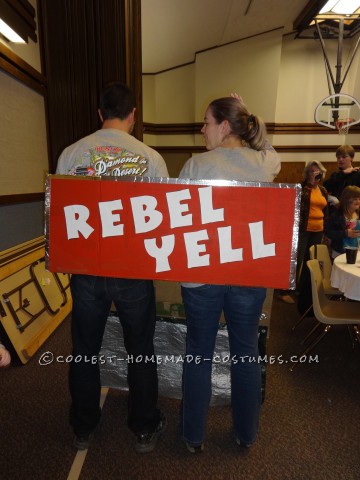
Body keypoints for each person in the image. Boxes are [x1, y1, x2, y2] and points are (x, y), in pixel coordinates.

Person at [56, 82, 169, 453]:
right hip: (133, 270)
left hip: (87, 269)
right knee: (140, 348)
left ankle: (83, 427)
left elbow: (60, 216)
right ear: (133, 115)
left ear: (99, 112)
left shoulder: (72, 155)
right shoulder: (151, 159)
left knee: (85, 349)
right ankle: (143, 426)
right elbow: (162, 222)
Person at [178, 94, 280, 453]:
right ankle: (247, 433)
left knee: (198, 354)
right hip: (249, 277)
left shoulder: (195, 165)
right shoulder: (265, 164)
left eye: (207, 122)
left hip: (202, 277)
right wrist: (248, 108)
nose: (202, 129)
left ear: (224, 126)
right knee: (246, 353)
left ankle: (192, 436)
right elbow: (269, 150)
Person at [324, 185, 360, 258]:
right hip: (340, 253)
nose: (358, 201)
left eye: (359, 198)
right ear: (346, 199)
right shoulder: (336, 216)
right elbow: (328, 233)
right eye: (355, 199)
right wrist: (345, 233)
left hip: (357, 252)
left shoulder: (359, 214)